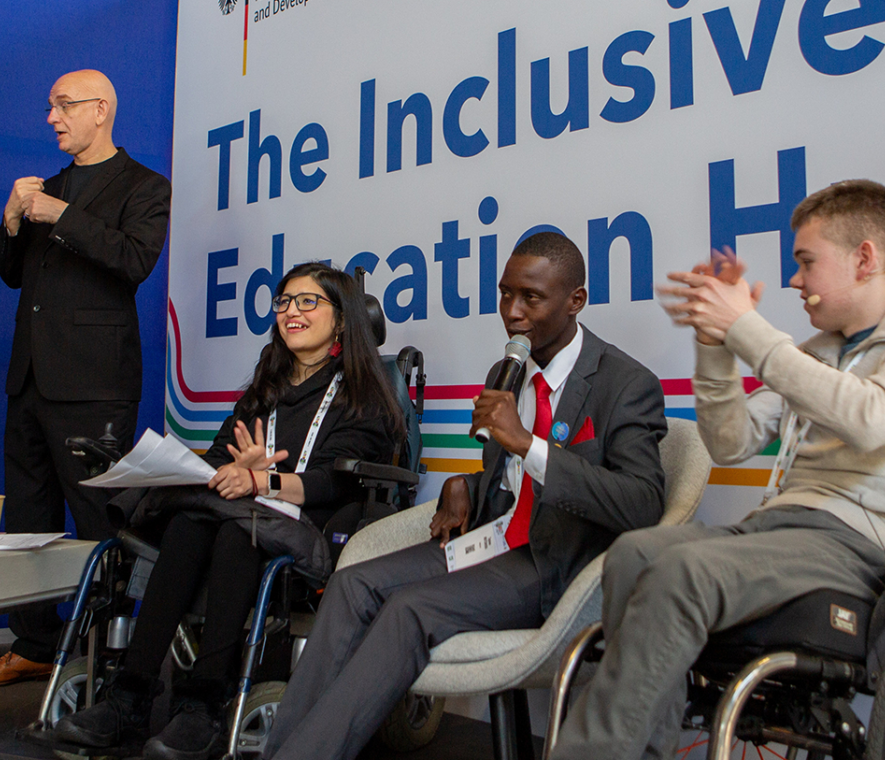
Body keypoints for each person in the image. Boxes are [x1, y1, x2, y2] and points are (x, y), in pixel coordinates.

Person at [549, 179, 885, 759]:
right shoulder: (817, 353)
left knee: (684, 574)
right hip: (784, 532)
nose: (794, 281)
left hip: (876, 548)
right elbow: (730, 441)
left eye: (807, 263)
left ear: (865, 259)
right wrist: (715, 346)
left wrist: (747, 331)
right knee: (635, 552)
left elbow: (872, 418)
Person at [262, 231, 668, 760]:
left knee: (409, 610)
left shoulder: (625, 383)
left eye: (532, 297)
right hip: (489, 539)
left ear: (576, 301)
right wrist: (469, 485)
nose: (513, 313)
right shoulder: (509, 373)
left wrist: (526, 443)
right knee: (352, 583)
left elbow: (641, 503)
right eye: (505, 294)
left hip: (554, 563)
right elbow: (510, 481)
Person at [53, 262, 404, 760]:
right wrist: (230, 469)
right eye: (283, 302)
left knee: (237, 533)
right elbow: (223, 454)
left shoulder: (362, 395)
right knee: (190, 520)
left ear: (342, 320)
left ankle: (203, 706)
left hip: (312, 529)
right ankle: (128, 697)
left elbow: (338, 480)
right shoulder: (267, 388)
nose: (291, 312)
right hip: (242, 518)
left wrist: (264, 480)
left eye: (308, 301)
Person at [0, 69, 172, 687]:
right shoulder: (43, 186)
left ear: (101, 109)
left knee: (98, 517)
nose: (52, 117)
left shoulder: (145, 186)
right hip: (28, 378)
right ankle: (33, 643)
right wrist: (10, 221)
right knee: (28, 516)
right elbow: (12, 275)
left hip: (94, 383)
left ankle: (109, 656)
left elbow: (133, 261)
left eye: (63, 105)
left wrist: (58, 215)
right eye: (50, 106)